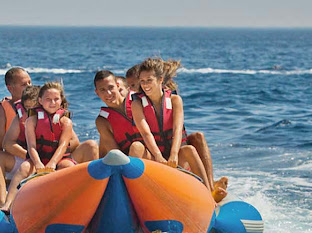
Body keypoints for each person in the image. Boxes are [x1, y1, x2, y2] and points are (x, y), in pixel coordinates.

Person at [131, 57, 228, 200]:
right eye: (142, 81)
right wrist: (158, 156)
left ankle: (208, 195)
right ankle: (132, 196)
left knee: (189, 150)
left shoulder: (175, 100)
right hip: (154, 158)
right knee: (136, 146)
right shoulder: (137, 103)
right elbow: (145, 133)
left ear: (160, 80)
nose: (145, 85)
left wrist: (174, 155)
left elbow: (177, 130)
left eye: (149, 80)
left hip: (174, 159)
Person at [0, 81, 96, 210]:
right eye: (48, 99)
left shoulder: (65, 121)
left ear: (61, 100)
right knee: (24, 168)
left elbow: (63, 145)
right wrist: (38, 163)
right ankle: (8, 204)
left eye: (56, 99)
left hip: (59, 159)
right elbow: (31, 146)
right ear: (40, 100)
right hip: (37, 158)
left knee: (67, 167)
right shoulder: (31, 120)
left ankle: (80, 201)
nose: (52, 102)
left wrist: (52, 163)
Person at [0, 85, 40, 208]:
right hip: (26, 160)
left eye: (34, 108)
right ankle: (4, 205)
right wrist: (30, 156)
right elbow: (7, 143)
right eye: (27, 108)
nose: (30, 112)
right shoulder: (20, 118)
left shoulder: (54, 118)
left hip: (48, 163)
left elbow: (73, 143)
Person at [0, 67, 32, 204]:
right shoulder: (3, 109)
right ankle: (3, 205)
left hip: (40, 161)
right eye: (24, 84)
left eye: (30, 82)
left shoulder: (42, 102)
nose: (29, 87)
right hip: (17, 161)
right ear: (10, 88)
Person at [94, 70, 146, 158]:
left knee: (136, 147)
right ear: (97, 93)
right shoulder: (102, 121)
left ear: (117, 86)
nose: (108, 93)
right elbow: (116, 154)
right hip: (128, 160)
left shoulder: (138, 100)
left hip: (152, 156)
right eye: (102, 90)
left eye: (111, 87)